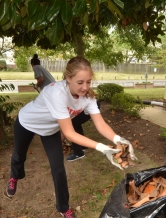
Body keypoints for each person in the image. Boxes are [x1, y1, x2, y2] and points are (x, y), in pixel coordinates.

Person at [4, 56, 137, 218]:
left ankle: (63, 207)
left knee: (58, 169)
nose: (85, 87)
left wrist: (117, 139)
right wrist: (102, 147)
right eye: (80, 82)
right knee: (19, 155)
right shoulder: (56, 93)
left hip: (50, 130)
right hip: (27, 122)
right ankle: (14, 177)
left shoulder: (88, 97)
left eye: (88, 82)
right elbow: (69, 133)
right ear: (68, 78)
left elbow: (100, 124)